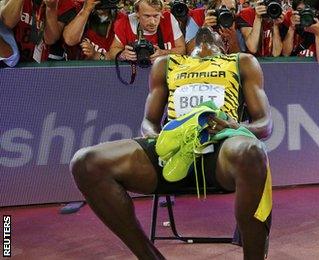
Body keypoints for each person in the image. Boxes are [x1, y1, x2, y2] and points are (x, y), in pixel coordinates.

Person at [70, 28, 273, 259]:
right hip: (172, 152)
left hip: (221, 150)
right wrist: (156, 138)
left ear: (225, 46)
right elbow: (148, 122)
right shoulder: (166, 64)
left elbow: (265, 125)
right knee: (85, 162)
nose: (206, 31)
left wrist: (233, 127)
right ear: (185, 47)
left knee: (253, 151)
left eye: (215, 31)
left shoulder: (242, 61)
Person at [109, 0, 185, 62]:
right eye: (147, 16)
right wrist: (122, 55)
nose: (152, 22)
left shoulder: (169, 19)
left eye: (156, 16)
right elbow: (112, 51)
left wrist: (164, 53)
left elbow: (182, 50)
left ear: (161, 13)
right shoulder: (125, 22)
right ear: (137, 13)